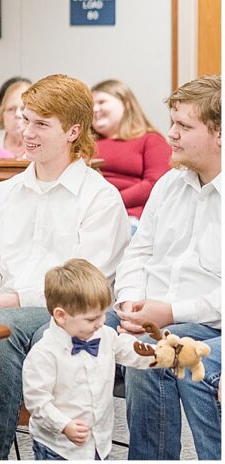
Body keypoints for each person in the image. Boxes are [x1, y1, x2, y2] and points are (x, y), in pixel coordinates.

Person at [0, 74, 131, 459]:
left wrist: (12, 300)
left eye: (41, 124)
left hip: (78, 313)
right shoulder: (2, 194)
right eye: (25, 119)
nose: (27, 132)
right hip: (0, 309)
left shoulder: (100, 198)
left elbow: (83, 285)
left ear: (73, 131)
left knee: (2, 333)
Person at [114, 75, 221, 461]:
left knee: (161, 349)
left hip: (205, 320)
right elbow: (137, 254)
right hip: (148, 310)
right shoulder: (168, 185)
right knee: (66, 335)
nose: (170, 135)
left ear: (219, 133)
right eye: (172, 122)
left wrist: (169, 312)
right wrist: (129, 302)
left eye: (184, 126)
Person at [22, 258, 167, 461]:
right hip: (60, 448)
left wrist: (162, 354)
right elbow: (38, 402)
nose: (101, 323)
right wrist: (64, 425)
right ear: (61, 316)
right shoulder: (44, 354)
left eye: (103, 315)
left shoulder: (104, 335)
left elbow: (129, 349)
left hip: (99, 443)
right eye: (92, 319)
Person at [90, 79, 171, 221]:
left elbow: (155, 183)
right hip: (89, 217)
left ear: (126, 103)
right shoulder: (85, 144)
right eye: (91, 105)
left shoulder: (150, 140)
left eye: (101, 102)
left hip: (130, 218)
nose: (95, 109)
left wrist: (111, 204)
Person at [0, 75, 31, 155]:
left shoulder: (44, 143)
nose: (18, 114)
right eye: (11, 109)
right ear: (1, 113)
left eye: (23, 108)